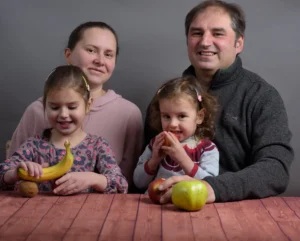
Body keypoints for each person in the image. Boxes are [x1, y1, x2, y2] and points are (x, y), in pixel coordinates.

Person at [144, 0, 294, 203]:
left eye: (217, 33)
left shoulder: (262, 96)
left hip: (238, 212)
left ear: (238, 43)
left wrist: (212, 188)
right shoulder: (165, 98)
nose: (205, 42)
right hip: (167, 207)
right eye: (197, 33)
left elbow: (275, 170)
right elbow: (144, 167)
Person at [7, 22, 143, 192]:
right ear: (68, 55)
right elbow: (9, 173)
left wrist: (95, 179)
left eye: (108, 54)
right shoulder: (36, 111)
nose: (100, 61)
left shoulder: (129, 115)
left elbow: (128, 183)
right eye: (91, 50)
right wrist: (20, 173)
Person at [0, 65, 128, 194]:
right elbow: (2, 172)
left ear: (88, 105)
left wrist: (94, 178)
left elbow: (121, 185)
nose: (63, 114)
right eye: (55, 107)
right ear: (45, 106)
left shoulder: (98, 146)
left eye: (72, 107)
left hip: (87, 213)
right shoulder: (33, 146)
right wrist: (15, 173)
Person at [134, 76, 219, 191]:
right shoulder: (156, 144)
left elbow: (210, 186)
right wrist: (153, 161)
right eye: (166, 116)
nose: (173, 124)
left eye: (182, 116)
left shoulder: (207, 149)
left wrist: (183, 159)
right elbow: (138, 182)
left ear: (199, 116)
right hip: (154, 204)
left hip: (188, 204)